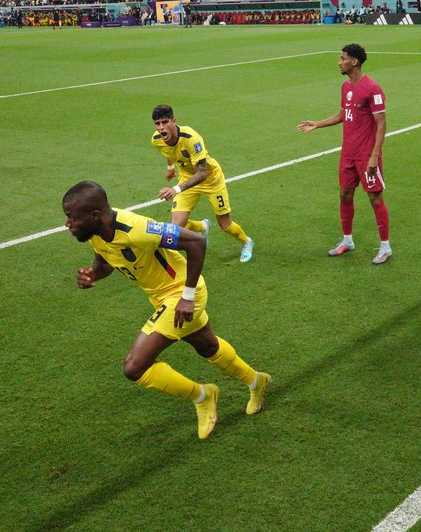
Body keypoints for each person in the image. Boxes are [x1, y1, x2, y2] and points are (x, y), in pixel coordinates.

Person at [62, 180, 271, 439]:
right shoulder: (98, 231)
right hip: (161, 297)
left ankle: (203, 396)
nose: (68, 224)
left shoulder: (136, 229)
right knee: (207, 346)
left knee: (134, 367)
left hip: (182, 294)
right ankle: (256, 380)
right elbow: (104, 262)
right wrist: (94, 274)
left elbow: (196, 241)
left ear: (94, 215)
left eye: (71, 218)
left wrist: (187, 296)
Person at [298, 43, 391, 264]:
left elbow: (381, 123)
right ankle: (347, 241)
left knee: (375, 198)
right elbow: (343, 114)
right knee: (345, 195)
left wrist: (374, 156)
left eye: (343, 58)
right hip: (347, 154)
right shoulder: (346, 87)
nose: (339, 62)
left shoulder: (372, 88)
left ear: (354, 61)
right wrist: (317, 124)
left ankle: (385, 247)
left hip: (366, 155)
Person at [152, 104, 254, 262]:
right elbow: (169, 151)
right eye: (157, 124)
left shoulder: (192, 138)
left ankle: (246, 242)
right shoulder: (157, 140)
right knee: (175, 227)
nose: (161, 127)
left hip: (211, 180)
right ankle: (202, 227)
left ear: (174, 121)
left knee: (225, 225)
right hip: (187, 178)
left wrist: (176, 189)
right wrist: (170, 167)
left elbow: (203, 172)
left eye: (165, 122)